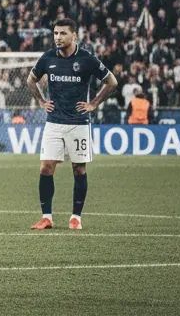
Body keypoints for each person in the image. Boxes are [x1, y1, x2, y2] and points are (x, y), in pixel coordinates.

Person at [26, 18, 118, 231]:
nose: (58, 37)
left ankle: (76, 217)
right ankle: (46, 217)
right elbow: (31, 80)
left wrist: (94, 103)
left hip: (78, 123)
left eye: (62, 33)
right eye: (55, 33)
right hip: (54, 122)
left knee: (79, 170)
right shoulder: (47, 58)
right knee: (46, 168)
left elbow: (111, 81)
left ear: (74, 36)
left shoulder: (87, 59)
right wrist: (41, 100)